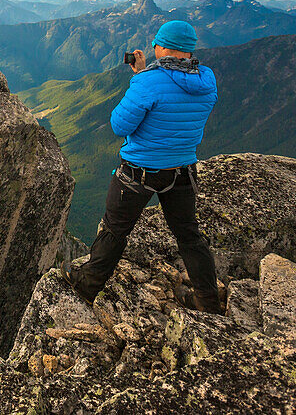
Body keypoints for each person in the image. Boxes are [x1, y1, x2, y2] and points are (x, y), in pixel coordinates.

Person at [63, 19, 223, 314]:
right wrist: (146, 74)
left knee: (114, 230)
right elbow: (176, 96)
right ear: (189, 51)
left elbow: (119, 124)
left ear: (161, 47)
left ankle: (86, 287)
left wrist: (139, 77)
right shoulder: (207, 79)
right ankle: (209, 303)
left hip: (139, 172)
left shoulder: (149, 81)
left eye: (155, 45)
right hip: (183, 171)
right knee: (189, 236)